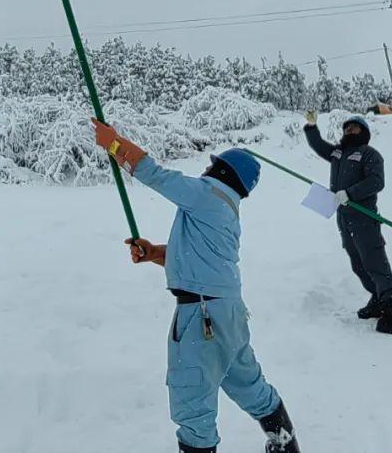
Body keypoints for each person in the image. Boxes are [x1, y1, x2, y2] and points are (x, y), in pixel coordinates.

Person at [92, 119, 300, 453]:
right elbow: (199, 261)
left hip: (203, 315)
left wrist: (115, 145)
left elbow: (157, 175)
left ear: (224, 172)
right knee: (246, 382)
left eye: (213, 165)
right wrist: (155, 254)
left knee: (193, 400)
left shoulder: (208, 193)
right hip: (228, 311)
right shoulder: (226, 208)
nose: (206, 168)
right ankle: (285, 442)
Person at [303, 113, 392, 334]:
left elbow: (377, 181)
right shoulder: (338, 153)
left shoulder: (369, 154)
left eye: (355, 128)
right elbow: (319, 145)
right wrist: (311, 127)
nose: (349, 131)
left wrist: (350, 193)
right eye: (347, 128)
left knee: (374, 260)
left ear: (364, 132)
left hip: (364, 217)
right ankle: (377, 297)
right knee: (357, 263)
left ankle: (391, 306)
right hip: (344, 218)